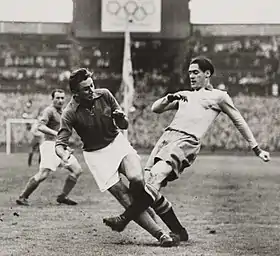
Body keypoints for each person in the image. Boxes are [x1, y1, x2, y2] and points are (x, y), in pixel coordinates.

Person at [103, 56, 271, 239]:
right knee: (148, 185)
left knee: (156, 178)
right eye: (190, 72)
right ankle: (179, 232)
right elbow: (155, 109)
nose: (191, 76)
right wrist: (169, 98)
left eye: (195, 72)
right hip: (166, 139)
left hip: (186, 141)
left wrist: (256, 148)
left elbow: (239, 120)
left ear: (207, 74)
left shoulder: (218, 96)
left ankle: (123, 220)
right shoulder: (185, 95)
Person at [55, 68, 178, 247]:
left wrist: (121, 119)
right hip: (96, 156)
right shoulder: (70, 113)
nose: (91, 91)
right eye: (86, 89)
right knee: (123, 195)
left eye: (92, 85)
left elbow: (124, 124)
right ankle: (161, 235)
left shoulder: (104, 95)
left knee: (137, 179)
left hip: (117, 144)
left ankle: (130, 217)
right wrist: (63, 154)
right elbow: (60, 143)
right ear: (75, 93)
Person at [16, 89, 82, 206]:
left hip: (60, 147)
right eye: (57, 98)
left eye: (62, 98)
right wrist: (56, 134)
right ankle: (22, 197)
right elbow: (40, 126)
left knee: (77, 170)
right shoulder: (49, 111)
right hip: (50, 145)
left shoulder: (62, 112)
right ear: (52, 99)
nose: (60, 100)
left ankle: (62, 196)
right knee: (43, 174)